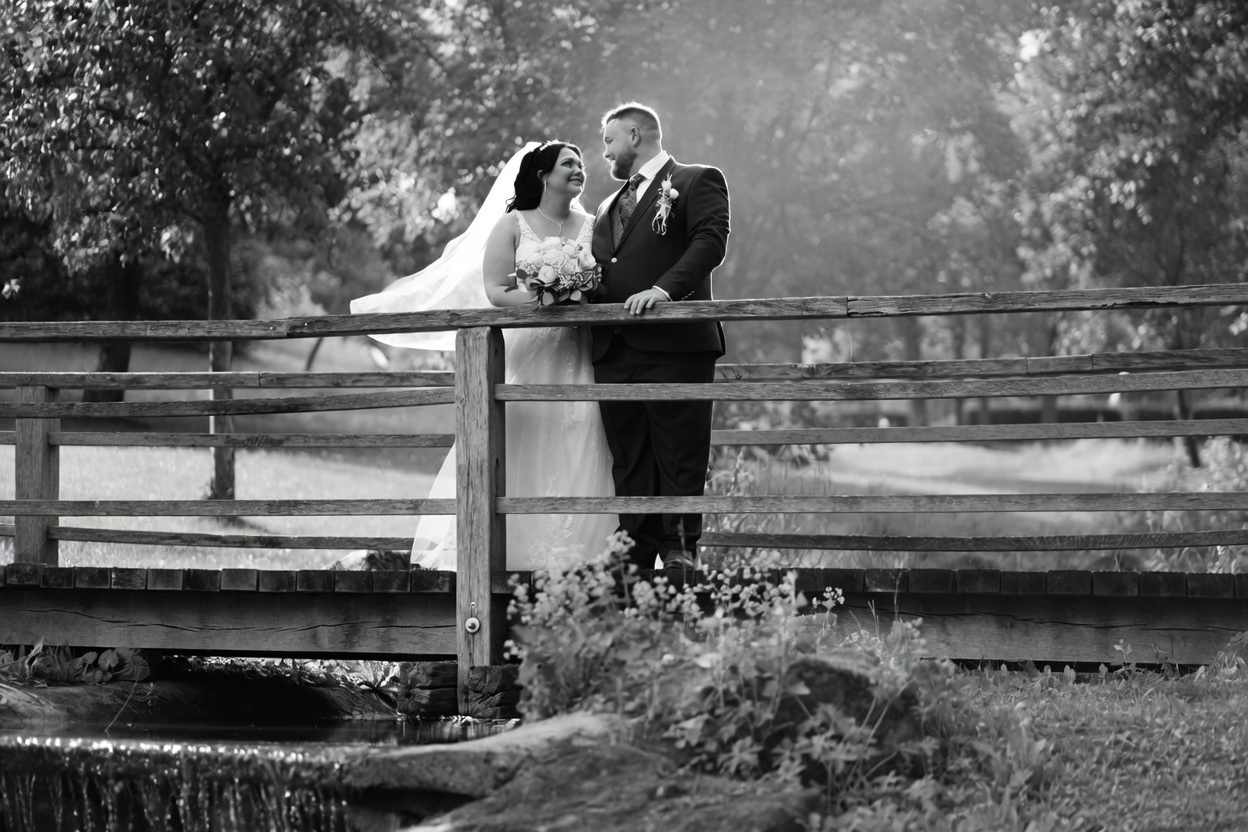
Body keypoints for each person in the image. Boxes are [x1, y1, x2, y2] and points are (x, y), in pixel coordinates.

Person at [350, 141, 617, 572]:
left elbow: (605, 278)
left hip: (581, 348)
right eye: (568, 163)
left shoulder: (592, 224)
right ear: (542, 175)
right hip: (531, 348)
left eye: (581, 164)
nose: (579, 169)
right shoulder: (513, 224)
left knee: (582, 429)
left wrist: (580, 290)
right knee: (523, 433)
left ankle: (585, 555)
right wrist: (543, 295)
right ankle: (510, 552)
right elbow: (496, 291)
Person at [589, 103, 730, 573]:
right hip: (613, 346)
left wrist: (663, 290)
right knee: (628, 457)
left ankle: (680, 548)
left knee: (678, 449)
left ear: (634, 134)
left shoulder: (695, 179)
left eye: (609, 140)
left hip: (675, 342)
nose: (604, 151)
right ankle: (633, 548)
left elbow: (710, 241)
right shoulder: (607, 207)